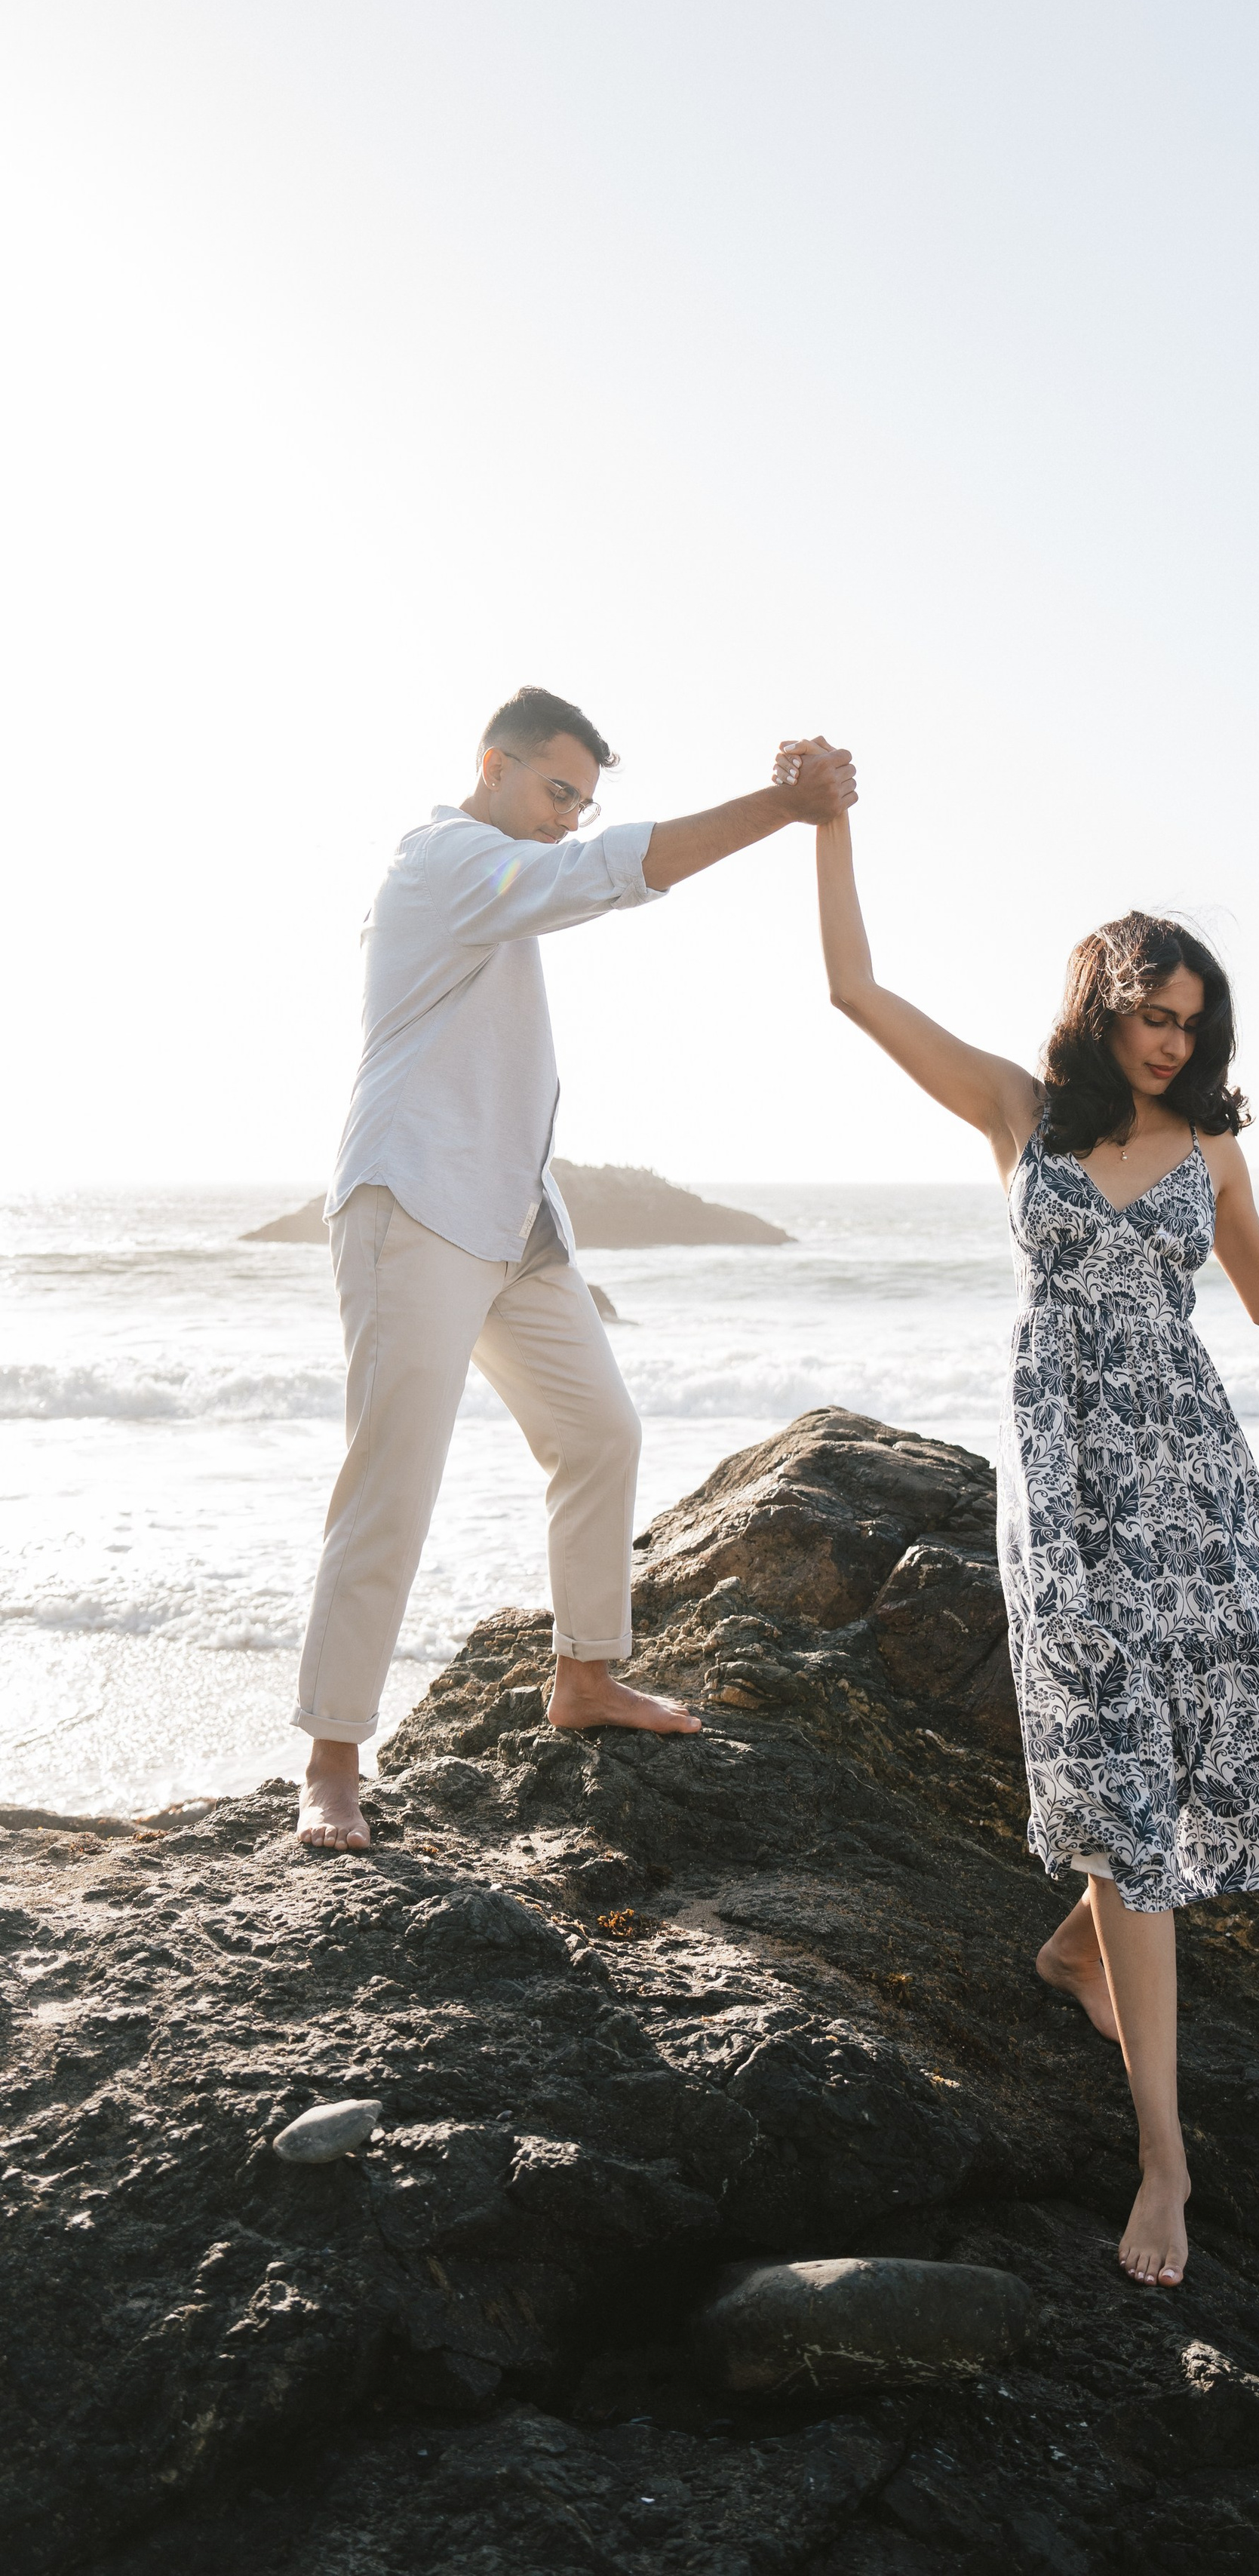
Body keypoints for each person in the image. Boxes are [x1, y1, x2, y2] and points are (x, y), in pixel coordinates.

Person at [809, 779, 1259, 2291]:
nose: (1171, 1040)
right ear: (1102, 1005)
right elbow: (852, 990)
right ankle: (1164, 2164)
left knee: (1165, 1769)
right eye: (1151, 1012)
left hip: (1187, 1480)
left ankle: (1080, 1953)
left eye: (1192, 1021)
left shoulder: (1211, 1154)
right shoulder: (1017, 1111)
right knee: (1119, 1778)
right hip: (1057, 1484)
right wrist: (826, 824)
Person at [294, 687, 856, 1854]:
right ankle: (333, 1763)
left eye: (583, 801)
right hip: (414, 1202)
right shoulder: (443, 859)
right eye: (556, 792)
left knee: (600, 1433)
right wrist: (782, 805)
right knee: (393, 1479)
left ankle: (586, 1676)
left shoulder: (501, 865)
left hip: (513, 1217)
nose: (566, 819)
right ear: (491, 767)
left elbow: (589, 865)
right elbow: (609, 874)